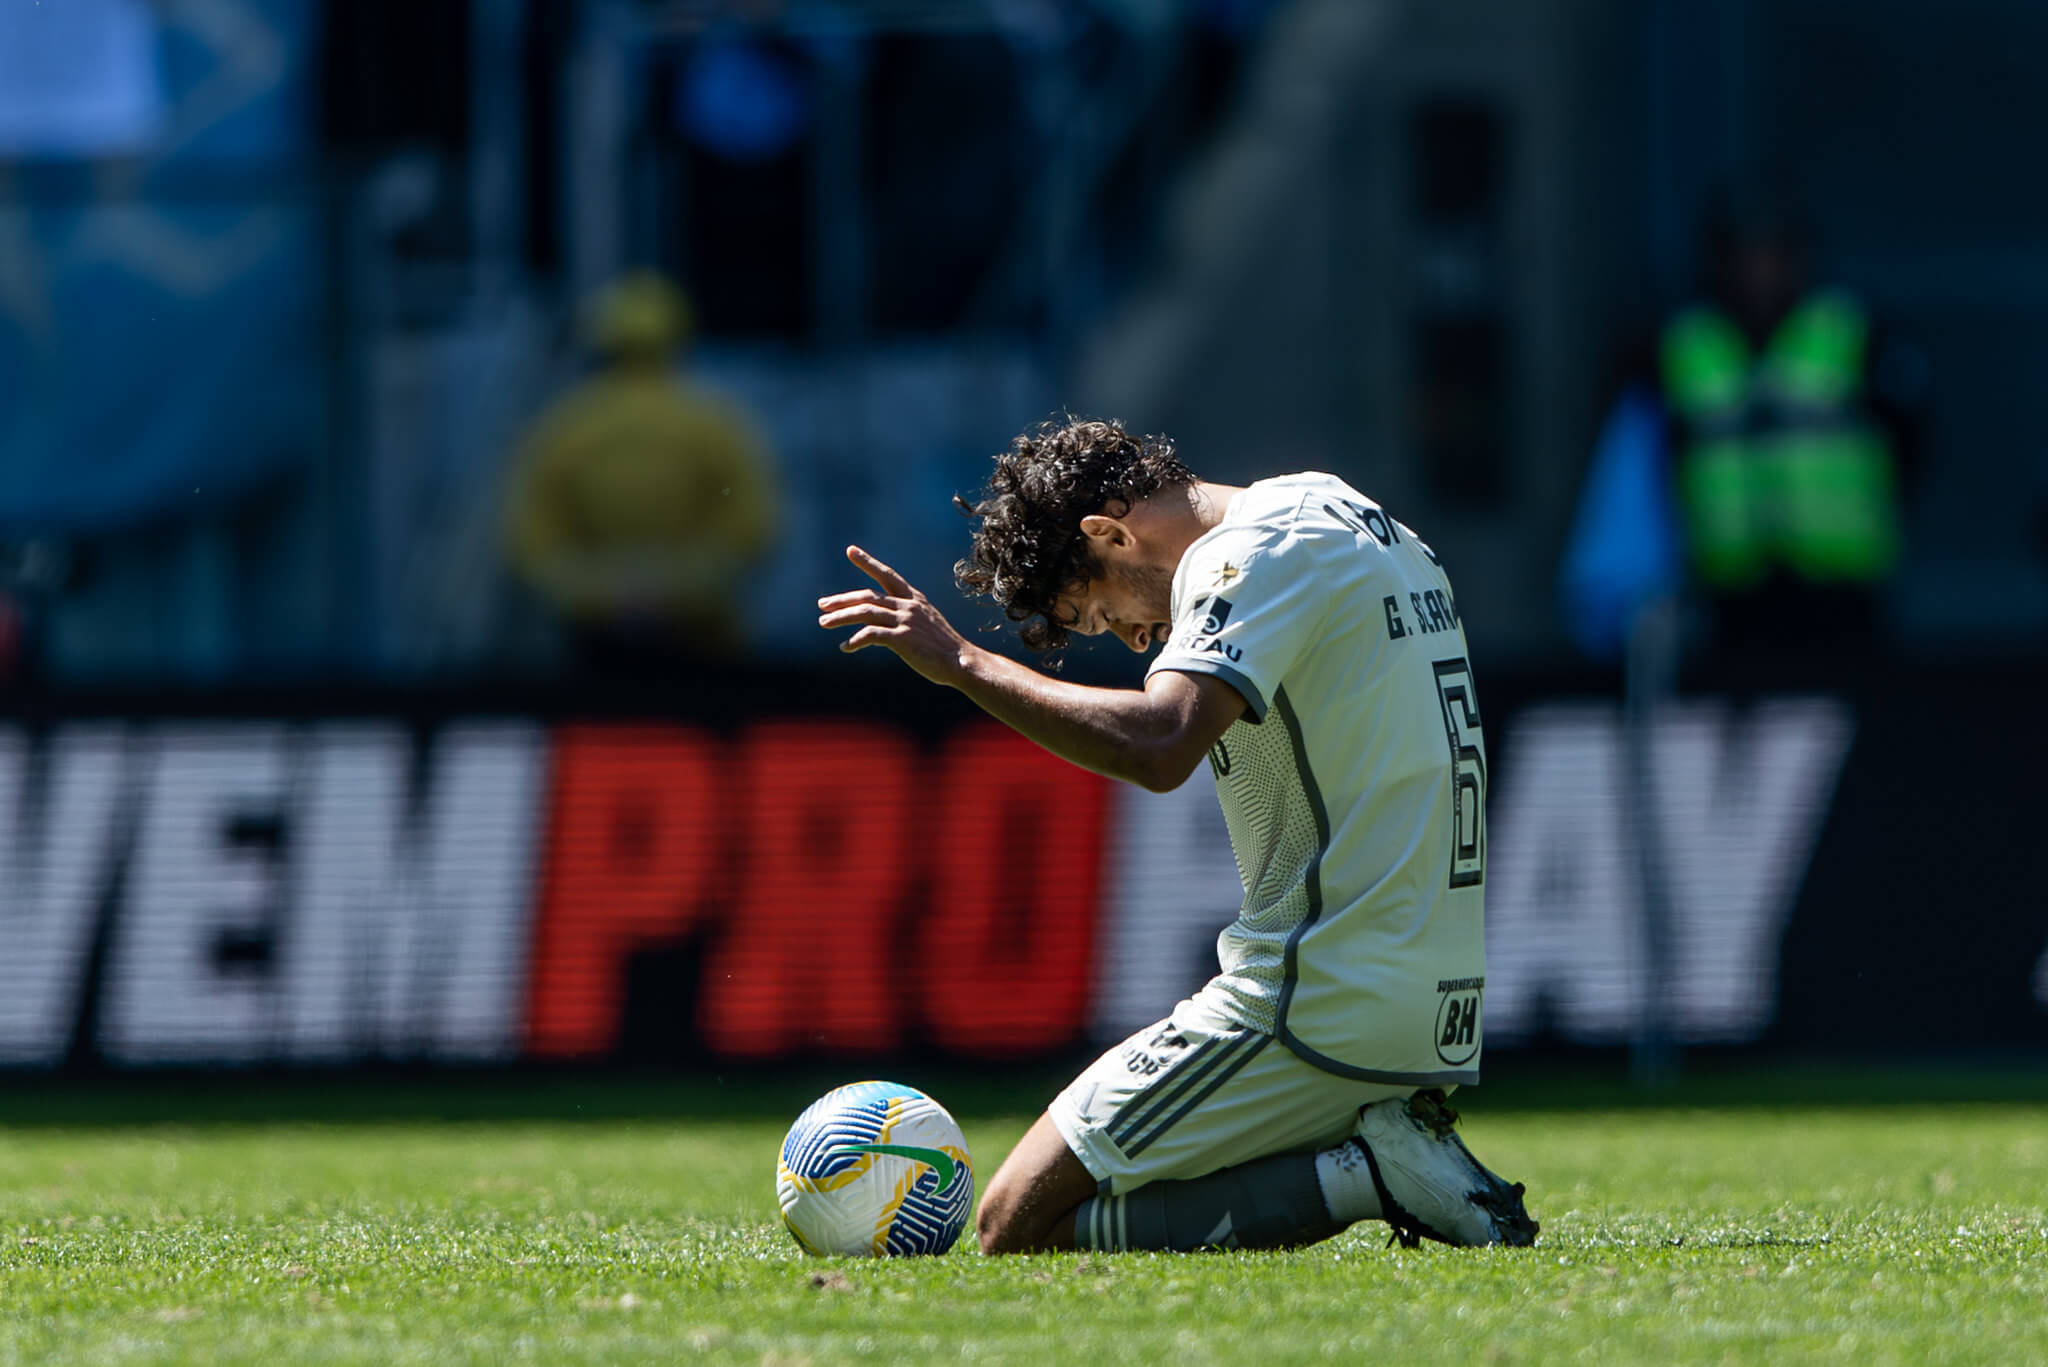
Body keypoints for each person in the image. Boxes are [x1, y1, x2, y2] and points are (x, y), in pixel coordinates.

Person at [816, 417, 1538, 1253]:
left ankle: (1363, 1172)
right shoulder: (1352, 516)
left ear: (1109, 532)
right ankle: (1374, 1151)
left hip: (1316, 1001)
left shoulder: (1249, 554)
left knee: (1009, 1221)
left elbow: (1160, 745)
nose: (1133, 637)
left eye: (1099, 608)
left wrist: (962, 662)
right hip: (1432, 1000)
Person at [1562, 190, 1926, 664]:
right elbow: (1637, 473)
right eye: (1745, 255)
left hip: (1843, 595)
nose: (1759, 272)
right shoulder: (1677, 345)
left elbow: (1914, 447)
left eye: (1773, 254)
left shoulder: (1854, 331)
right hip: (1726, 601)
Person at [504, 273, 777, 676]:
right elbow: (754, 525)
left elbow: (530, 538)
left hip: (592, 642)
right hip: (701, 640)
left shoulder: (564, 428)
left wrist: (591, 589)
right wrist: (687, 584)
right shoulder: (715, 424)